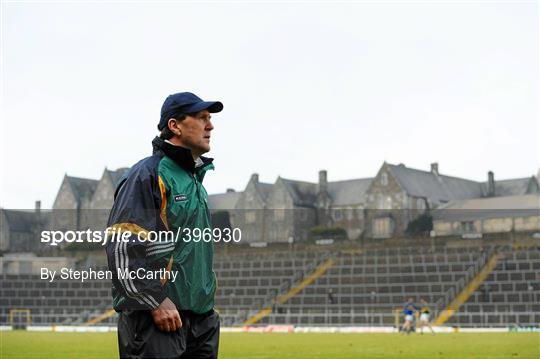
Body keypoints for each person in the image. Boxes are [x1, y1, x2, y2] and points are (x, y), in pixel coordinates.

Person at [105, 92, 223, 358]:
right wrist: (154, 301)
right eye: (202, 117)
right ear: (175, 125)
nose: (210, 125)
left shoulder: (195, 181)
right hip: (157, 319)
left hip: (201, 320)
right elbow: (122, 247)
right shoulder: (147, 174)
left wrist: (206, 307)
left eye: (210, 119)